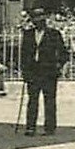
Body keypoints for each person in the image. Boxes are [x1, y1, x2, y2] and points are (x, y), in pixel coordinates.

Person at [20, 8, 69, 136]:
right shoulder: (28, 34)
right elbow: (23, 54)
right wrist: (24, 71)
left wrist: (58, 66)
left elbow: (64, 53)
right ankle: (30, 127)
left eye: (41, 18)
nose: (38, 21)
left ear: (45, 19)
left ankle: (49, 128)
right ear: (33, 20)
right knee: (32, 100)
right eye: (36, 18)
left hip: (49, 72)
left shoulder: (54, 34)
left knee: (49, 101)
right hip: (33, 72)